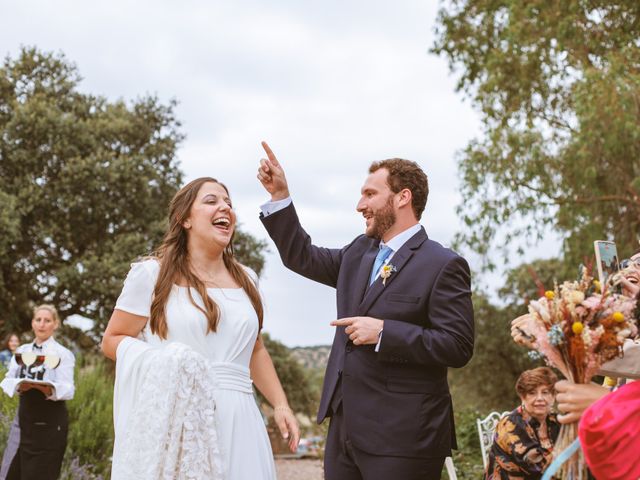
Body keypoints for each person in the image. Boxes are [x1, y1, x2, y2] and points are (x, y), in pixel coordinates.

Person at [257, 142, 475, 480]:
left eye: (370, 194)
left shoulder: (443, 264)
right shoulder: (358, 253)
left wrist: (385, 333)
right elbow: (301, 255)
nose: (360, 205)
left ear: (403, 197)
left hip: (405, 438)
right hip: (345, 433)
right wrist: (280, 197)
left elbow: (458, 345)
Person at [101, 177, 299, 479]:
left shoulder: (248, 279)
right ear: (185, 219)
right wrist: (167, 361)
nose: (225, 208)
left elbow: (255, 350)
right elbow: (113, 339)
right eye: (211, 201)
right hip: (180, 419)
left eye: (229, 203)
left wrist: (281, 405)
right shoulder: (150, 275)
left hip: (242, 418)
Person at [511, 248, 640, 424]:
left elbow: (633, 358)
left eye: (639, 262)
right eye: (625, 264)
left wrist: (553, 335)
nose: (629, 268)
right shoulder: (628, 326)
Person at [0, 304, 75, 480]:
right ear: (33, 323)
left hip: (50, 426)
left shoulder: (63, 354)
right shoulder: (22, 351)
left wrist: (47, 389)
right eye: (38, 320)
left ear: (55, 324)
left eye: (47, 320)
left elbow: (69, 389)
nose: (42, 324)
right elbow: (8, 378)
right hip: (24, 422)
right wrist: (19, 386)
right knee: (12, 474)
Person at [485, 367, 560, 479]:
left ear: (553, 396)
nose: (540, 398)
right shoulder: (512, 423)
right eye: (532, 393)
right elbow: (536, 466)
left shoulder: (555, 421)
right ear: (522, 397)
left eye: (545, 392)